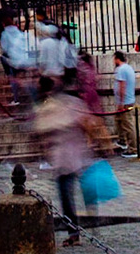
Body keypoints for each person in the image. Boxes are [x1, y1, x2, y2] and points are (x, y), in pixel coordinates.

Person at [32, 74, 99, 243]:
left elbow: (39, 131)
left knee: (66, 196)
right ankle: (91, 218)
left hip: (63, 158)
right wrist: (91, 141)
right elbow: (88, 123)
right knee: (81, 189)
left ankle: (74, 232)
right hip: (78, 154)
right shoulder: (74, 103)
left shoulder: (49, 107)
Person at [111, 51, 139, 156]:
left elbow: (122, 86)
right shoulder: (128, 68)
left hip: (125, 102)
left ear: (117, 58)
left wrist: (121, 102)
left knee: (128, 125)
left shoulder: (121, 69)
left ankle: (133, 149)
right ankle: (122, 140)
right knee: (118, 120)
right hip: (128, 100)